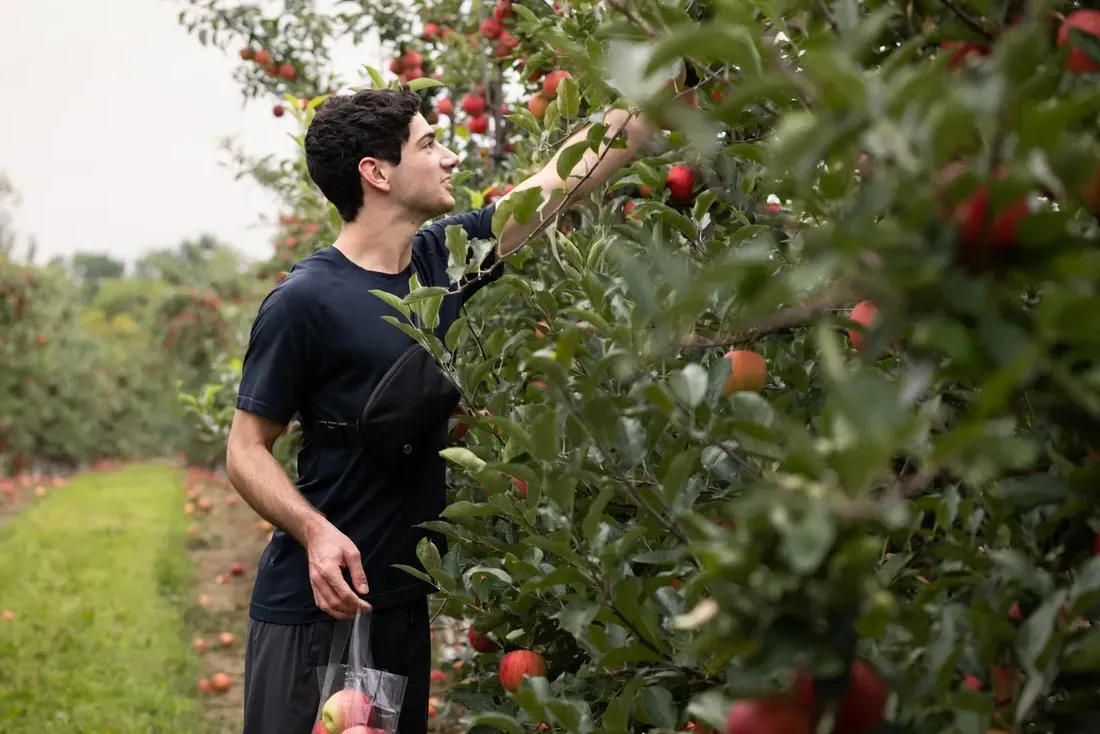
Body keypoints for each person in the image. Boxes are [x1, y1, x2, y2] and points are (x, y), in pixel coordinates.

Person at [226, 72, 672, 734]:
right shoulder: (305, 301)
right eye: (429, 144)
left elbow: (560, 181)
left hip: (401, 602)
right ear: (376, 172)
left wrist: (670, 74)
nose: (450, 156)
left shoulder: (443, 261)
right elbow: (244, 449)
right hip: (320, 609)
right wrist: (314, 532)